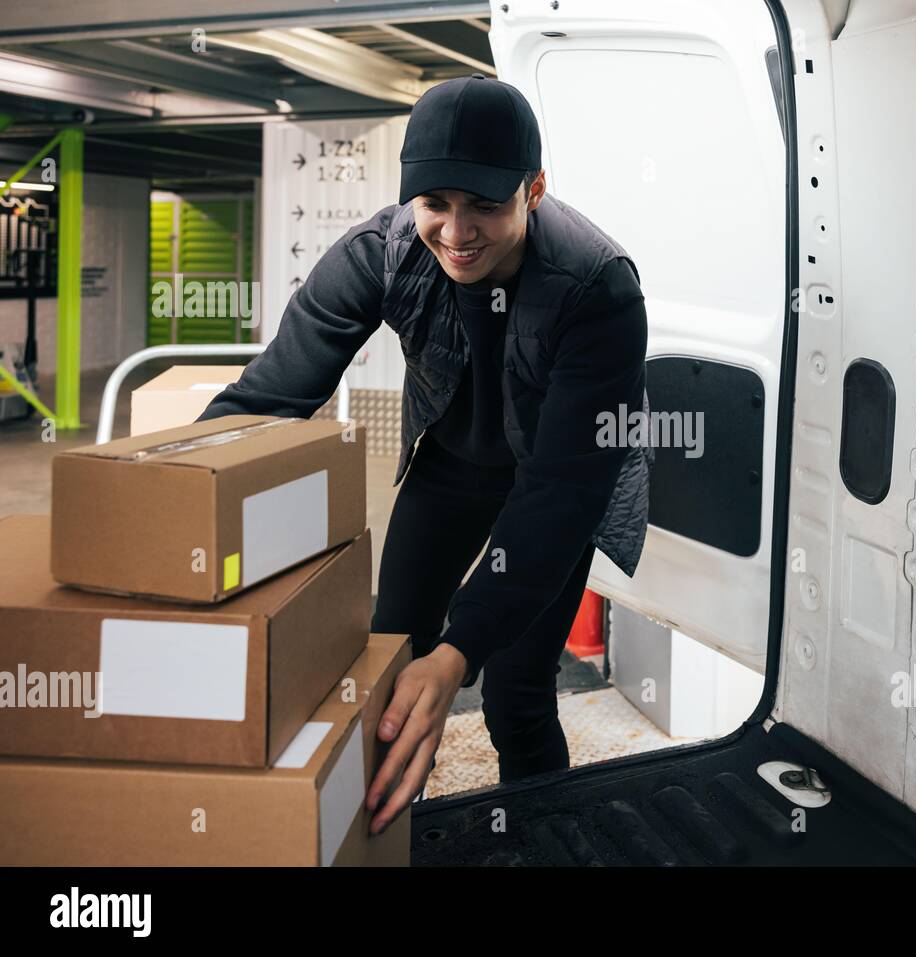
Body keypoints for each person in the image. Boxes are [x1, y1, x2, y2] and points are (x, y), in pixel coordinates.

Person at [197, 73, 651, 835]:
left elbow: (564, 489)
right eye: (436, 202)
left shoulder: (597, 286)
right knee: (385, 656)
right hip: (448, 465)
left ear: (533, 190)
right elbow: (271, 396)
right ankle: (381, 840)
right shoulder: (381, 254)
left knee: (513, 690)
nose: (456, 231)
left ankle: (538, 843)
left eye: (484, 205)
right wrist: (173, 488)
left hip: (547, 485)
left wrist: (459, 650)